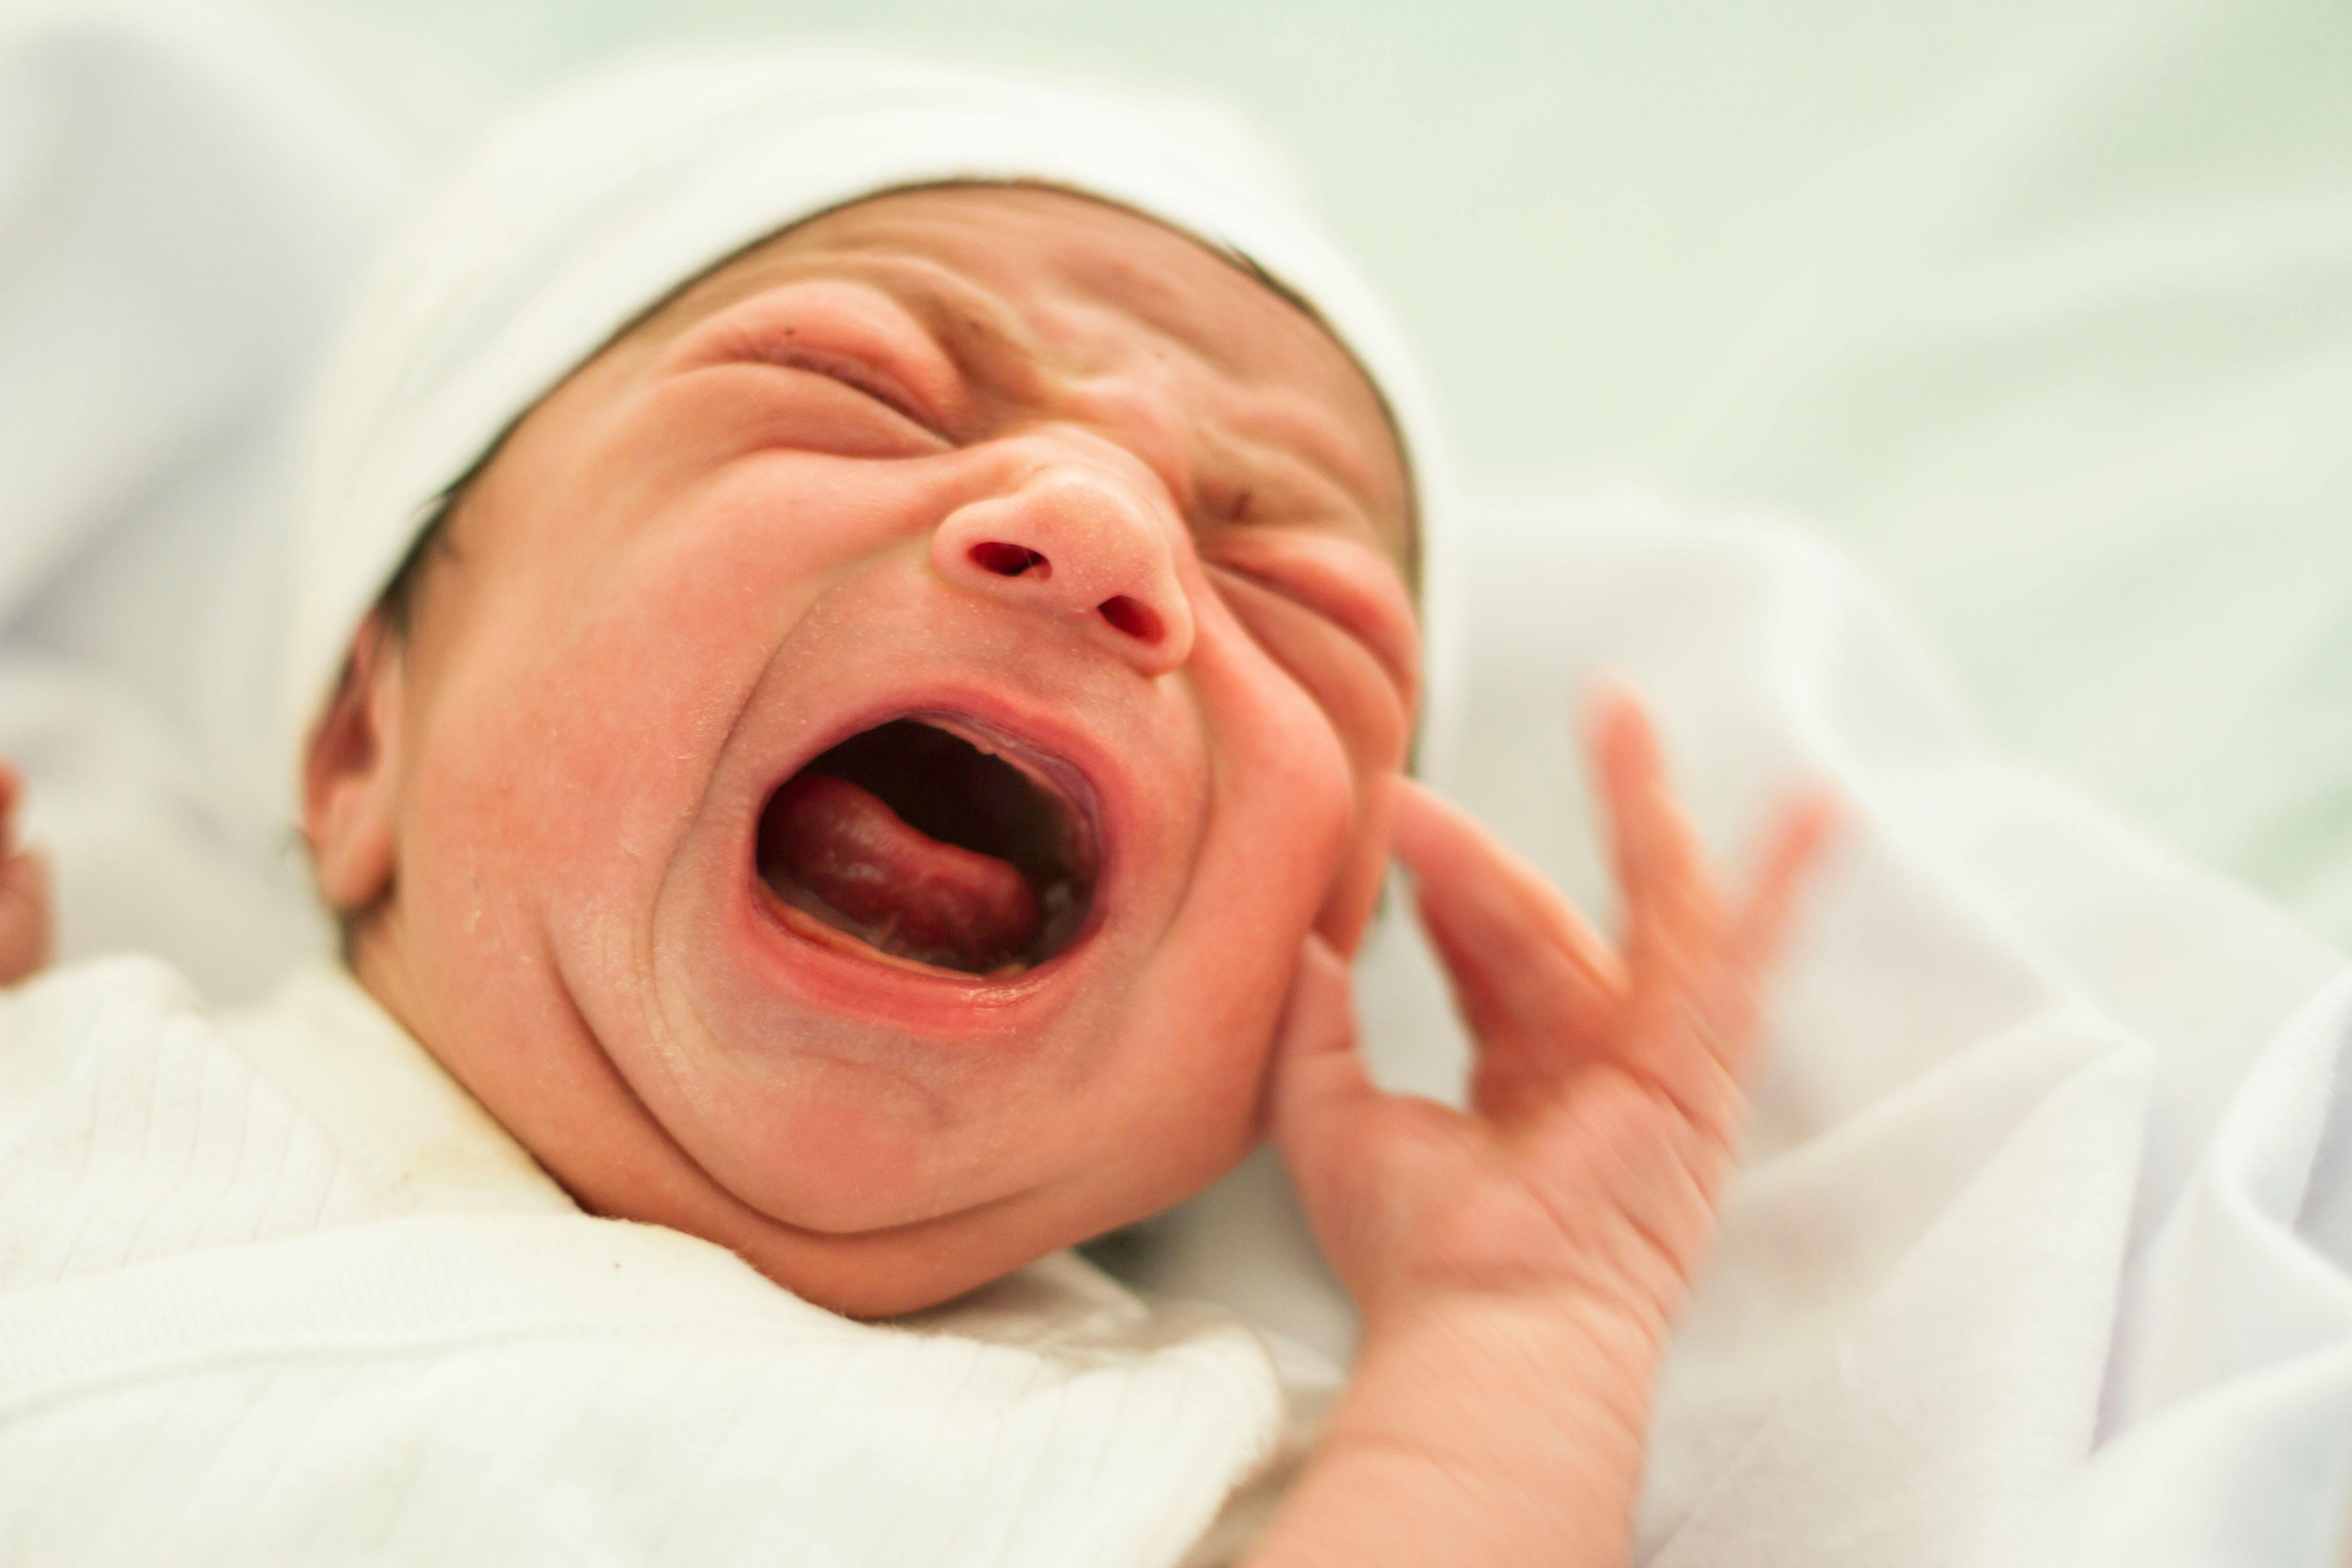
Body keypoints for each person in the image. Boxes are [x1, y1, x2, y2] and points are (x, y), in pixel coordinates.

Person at [0, 55, 1829, 1565]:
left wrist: (1523, 1340)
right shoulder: (72, 1088)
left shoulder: (1191, 1462)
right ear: (355, 749)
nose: (1104, 536)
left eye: (1297, 590)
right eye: (859, 390)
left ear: (1300, 994)